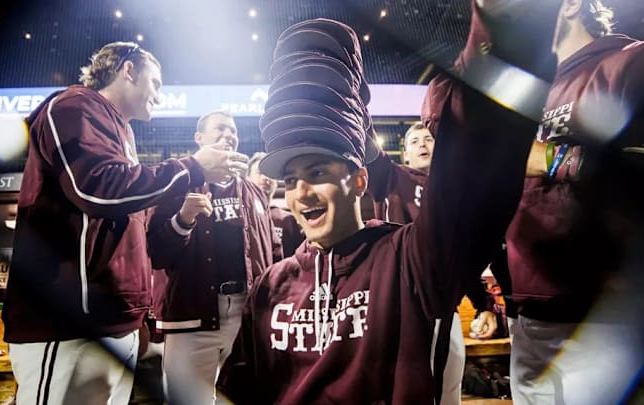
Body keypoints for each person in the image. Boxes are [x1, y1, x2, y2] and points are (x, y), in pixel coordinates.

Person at [218, 13, 552, 404]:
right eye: (291, 180)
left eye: (318, 171)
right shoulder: (270, 286)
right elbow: (237, 389)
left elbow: (473, 173)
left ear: (359, 180)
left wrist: (500, 27)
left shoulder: (408, 262)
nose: (301, 192)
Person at [2, 41, 246, 405]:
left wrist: (180, 223)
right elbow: (97, 191)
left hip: (115, 324)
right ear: (128, 69)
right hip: (68, 326)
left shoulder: (122, 133)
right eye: (157, 83)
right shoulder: (73, 104)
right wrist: (192, 166)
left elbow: (145, 242)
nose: (160, 97)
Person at [492, 0, 644, 403]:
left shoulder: (632, 61)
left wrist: (547, 156)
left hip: (605, 321)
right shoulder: (523, 91)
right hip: (528, 319)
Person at [146, 110, 280, 404]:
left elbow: (274, 254)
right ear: (199, 138)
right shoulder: (177, 184)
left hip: (247, 313)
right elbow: (154, 253)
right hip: (192, 315)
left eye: (233, 131)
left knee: (247, 396)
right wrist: (183, 220)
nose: (230, 134)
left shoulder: (254, 192)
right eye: (220, 128)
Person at [366, 122, 499, 405]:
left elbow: (461, 253)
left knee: (449, 391)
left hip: (443, 306)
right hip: (398, 305)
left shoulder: (454, 193)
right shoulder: (391, 176)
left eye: (428, 138)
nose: (423, 145)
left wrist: (482, 304)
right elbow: (367, 147)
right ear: (404, 153)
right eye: (414, 141)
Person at [247, 152, 305, 258]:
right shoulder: (241, 216)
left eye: (269, 175)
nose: (265, 178)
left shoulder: (288, 219)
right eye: (259, 173)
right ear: (247, 178)